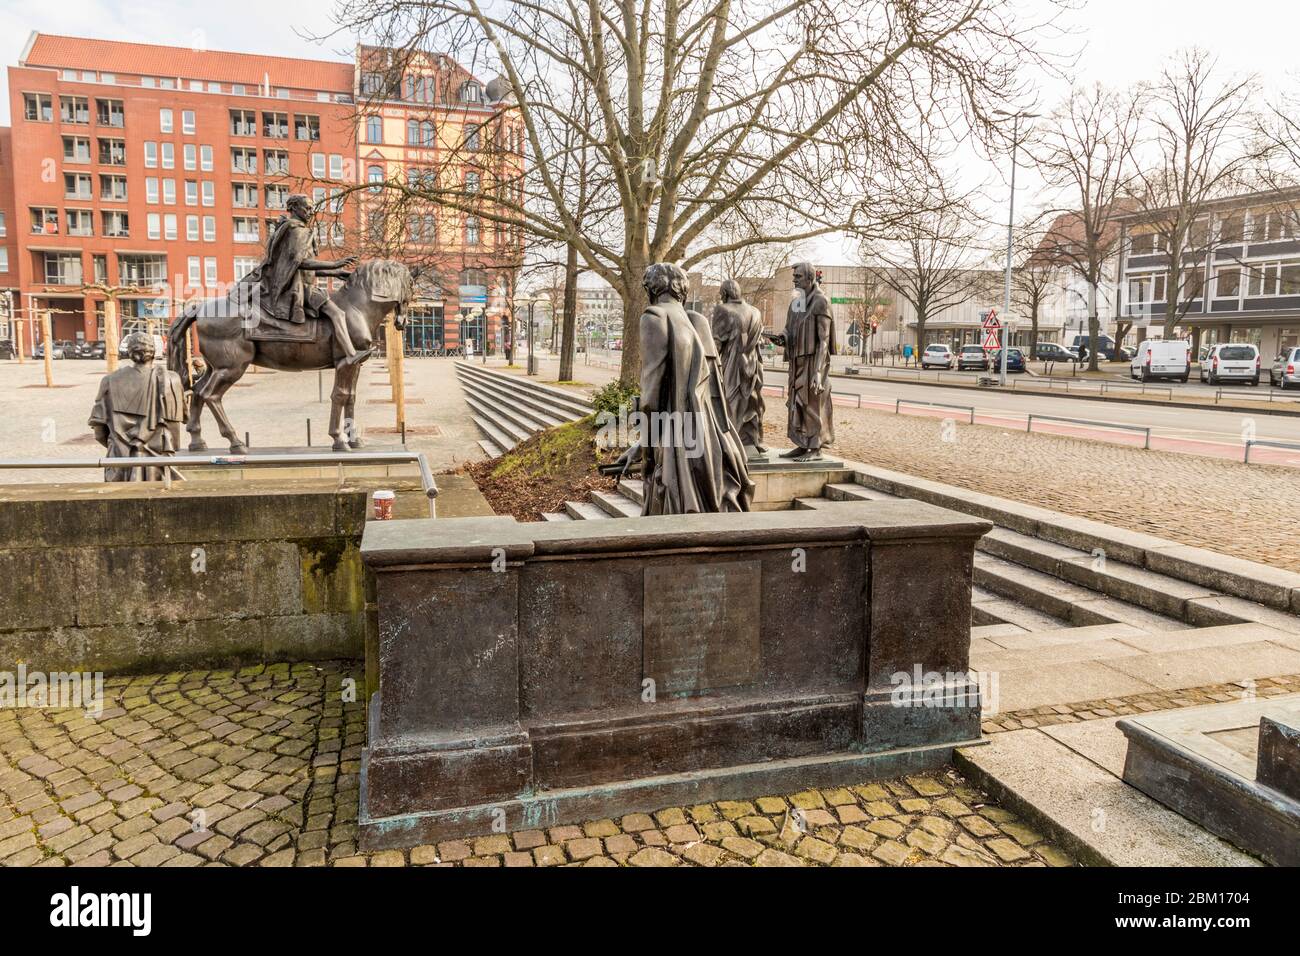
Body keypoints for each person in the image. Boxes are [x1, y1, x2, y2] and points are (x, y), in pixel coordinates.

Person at [614, 263, 753, 514]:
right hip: (709, 443)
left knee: (667, 520)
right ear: (682, 291)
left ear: (650, 289)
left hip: (676, 445)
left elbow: (650, 399)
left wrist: (647, 453)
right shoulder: (697, 322)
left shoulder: (654, 317)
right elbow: (715, 394)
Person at [256, 194, 367, 364]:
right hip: (299, 288)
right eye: (306, 208)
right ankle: (351, 354)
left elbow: (303, 269)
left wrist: (334, 273)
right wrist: (334, 264)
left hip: (300, 283)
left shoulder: (288, 228)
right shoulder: (297, 230)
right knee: (337, 313)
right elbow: (299, 262)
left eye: (312, 208)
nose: (311, 212)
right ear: (293, 208)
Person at [88, 332, 185, 481]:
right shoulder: (171, 380)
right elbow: (174, 435)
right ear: (153, 352)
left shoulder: (109, 381)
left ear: (129, 352)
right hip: (159, 466)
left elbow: (99, 433)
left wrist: (121, 447)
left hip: (120, 465)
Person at [764, 262, 835, 461]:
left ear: (810, 278)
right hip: (797, 359)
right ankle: (803, 444)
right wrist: (782, 337)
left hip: (813, 360)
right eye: (794, 276)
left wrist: (818, 372)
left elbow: (824, 340)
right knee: (797, 403)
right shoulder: (797, 301)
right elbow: (790, 328)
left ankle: (816, 448)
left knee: (812, 402)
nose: (794, 280)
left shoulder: (821, 301)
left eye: (798, 276)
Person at [711, 279, 767, 457]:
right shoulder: (756, 312)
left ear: (725, 294)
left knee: (730, 401)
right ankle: (752, 441)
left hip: (733, 364)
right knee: (752, 401)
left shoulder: (723, 310)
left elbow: (717, 343)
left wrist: (709, 366)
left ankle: (731, 442)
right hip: (753, 365)